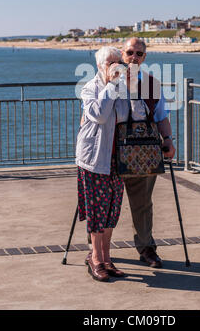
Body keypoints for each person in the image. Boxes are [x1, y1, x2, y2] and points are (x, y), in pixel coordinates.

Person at [76, 46, 149, 281]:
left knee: (111, 212)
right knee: (97, 213)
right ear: (100, 67)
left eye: (119, 62)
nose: (117, 66)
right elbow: (98, 115)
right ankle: (95, 258)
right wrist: (111, 85)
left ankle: (107, 259)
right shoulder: (90, 88)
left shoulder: (125, 87)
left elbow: (138, 117)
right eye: (111, 63)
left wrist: (133, 88)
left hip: (118, 160)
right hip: (95, 159)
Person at [121, 37, 176, 268]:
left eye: (139, 54)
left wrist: (168, 140)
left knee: (143, 202)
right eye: (130, 52)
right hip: (110, 149)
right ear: (122, 54)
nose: (134, 57)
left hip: (144, 151)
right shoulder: (108, 79)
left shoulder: (152, 83)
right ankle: (96, 251)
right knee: (102, 202)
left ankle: (147, 248)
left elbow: (161, 115)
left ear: (145, 58)